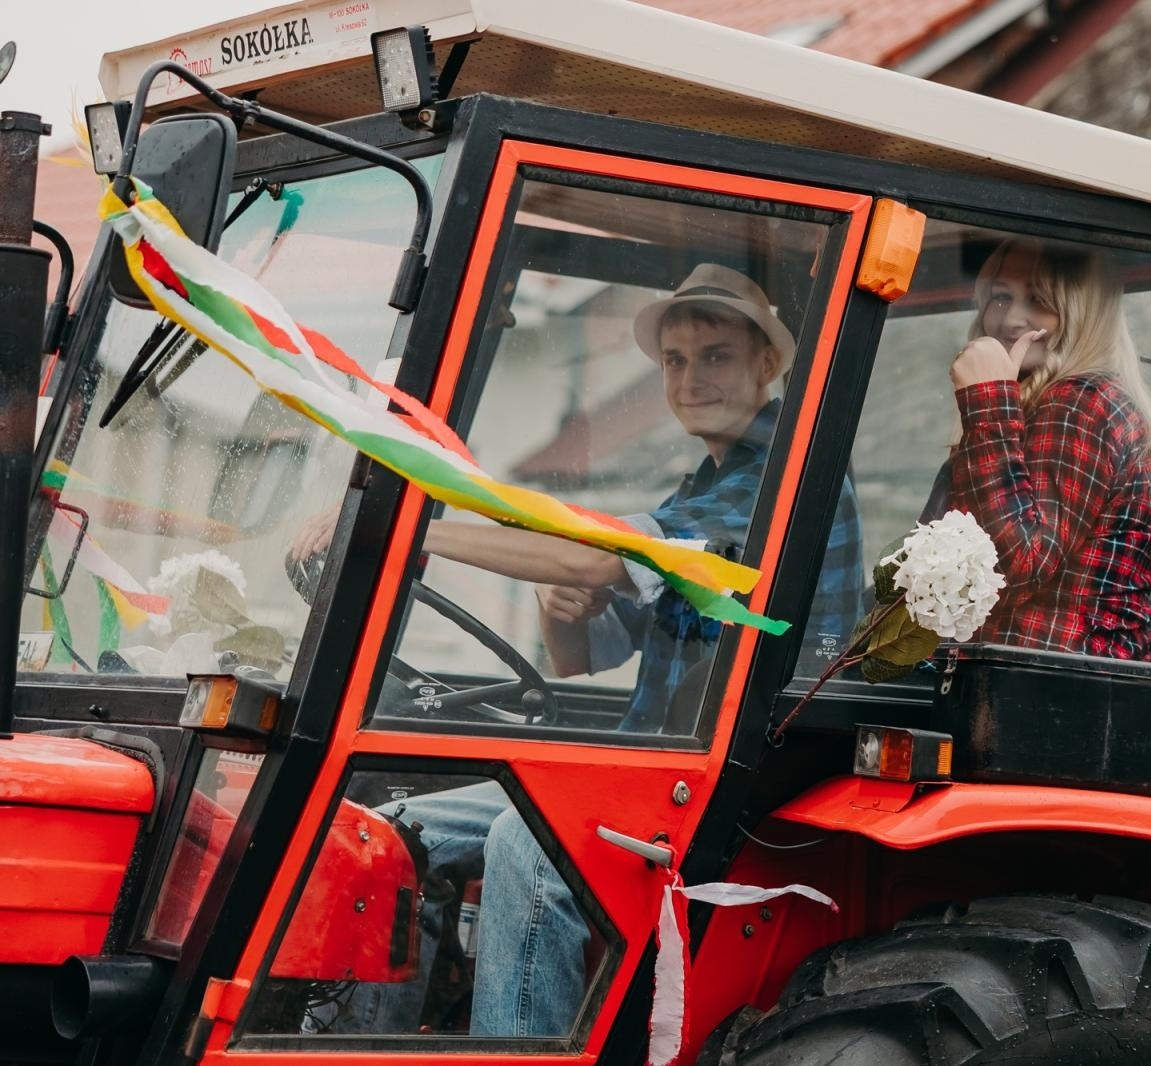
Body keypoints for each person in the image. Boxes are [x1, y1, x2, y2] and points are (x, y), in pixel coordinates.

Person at [306, 263, 863, 1037]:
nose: (690, 378)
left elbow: (604, 558)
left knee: (528, 843)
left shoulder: (785, 478)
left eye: (716, 356)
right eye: (675, 360)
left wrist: (410, 529)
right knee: (390, 832)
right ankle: (366, 1049)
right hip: (651, 761)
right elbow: (581, 656)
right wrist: (559, 610)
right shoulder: (699, 488)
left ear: (768, 365)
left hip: (743, 779)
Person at [941, 238, 1151, 659]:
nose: (1011, 317)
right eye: (1000, 297)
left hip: (1042, 688)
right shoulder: (1054, 401)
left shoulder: (1077, 403)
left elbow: (1018, 564)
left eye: (1039, 298)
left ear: (1081, 310)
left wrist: (988, 401)